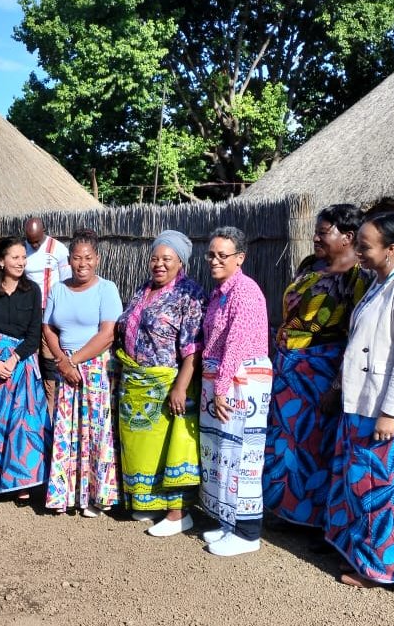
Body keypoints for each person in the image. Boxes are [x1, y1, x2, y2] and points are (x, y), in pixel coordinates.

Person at [324, 211, 394, 589]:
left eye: (365, 246)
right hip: (361, 404)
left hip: (385, 411)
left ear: (392, 249)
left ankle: (384, 568)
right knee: (360, 484)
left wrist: (390, 412)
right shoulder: (379, 283)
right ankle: (360, 552)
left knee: (383, 490)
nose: (358, 251)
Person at [263, 205, 371, 533]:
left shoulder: (359, 277)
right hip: (288, 370)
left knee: (317, 445)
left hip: (322, 373)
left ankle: (315, 520)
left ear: (347, 237)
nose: (315, 237)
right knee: (285, 441)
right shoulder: (310, 266)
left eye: (323, 232)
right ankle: (284, 509)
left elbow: (357, 335)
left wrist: (337, 385)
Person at [115, 230, 205, 536]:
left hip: (167, 381)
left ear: (181, 262)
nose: (159, 264)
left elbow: (193, 346)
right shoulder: (143, 290)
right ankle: (149, 502)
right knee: (144, 449)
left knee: (173, 447)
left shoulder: (189, 294)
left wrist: (180, 386)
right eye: (155, 258)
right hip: (136, 383)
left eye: (167, 259)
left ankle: (178, 513)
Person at [198, 226, 272, 556]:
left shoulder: (245, 291)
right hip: (223, 380)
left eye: (222, 255)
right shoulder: (220, 292)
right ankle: (227, 520)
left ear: (240, 258)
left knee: (242, 455)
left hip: (240, 381)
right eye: (211, 254)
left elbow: (236, 345)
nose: (214, 260)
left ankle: (246, 531)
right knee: (222, 454)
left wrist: (221, 388)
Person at [42, 229, 122, 516]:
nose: (82, 263)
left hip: (97, 368)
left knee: (96, 431)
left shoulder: (106, 289)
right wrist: (63, 362)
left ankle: (96, 496)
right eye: (77, 258)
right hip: (66, 368)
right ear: (69, 260)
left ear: (97, 259)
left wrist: (72, 360)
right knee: (67, 430)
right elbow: (48, 327)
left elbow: (108, 334)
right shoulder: (58, 289)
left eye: (88, 258)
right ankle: (65, 494)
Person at [0, 237, 49, 503]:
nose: (20, 262)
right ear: (1, 261)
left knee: (22, 424)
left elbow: (34, 333)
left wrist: (14, 359)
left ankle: (22, 484)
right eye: (15, 257)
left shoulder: (32, 290)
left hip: (20, 366)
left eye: (23, 257)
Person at [24, 216, 72, 401]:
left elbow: (66, 281)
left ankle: (51, 396)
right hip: (29, 311)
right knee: (30, 353)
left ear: (44, 232)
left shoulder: (57, 249)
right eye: (30, 241)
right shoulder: (23, 248)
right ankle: (32, 394)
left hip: (50, 311)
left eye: (37, 241)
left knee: (49, 355)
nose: (34, 245)